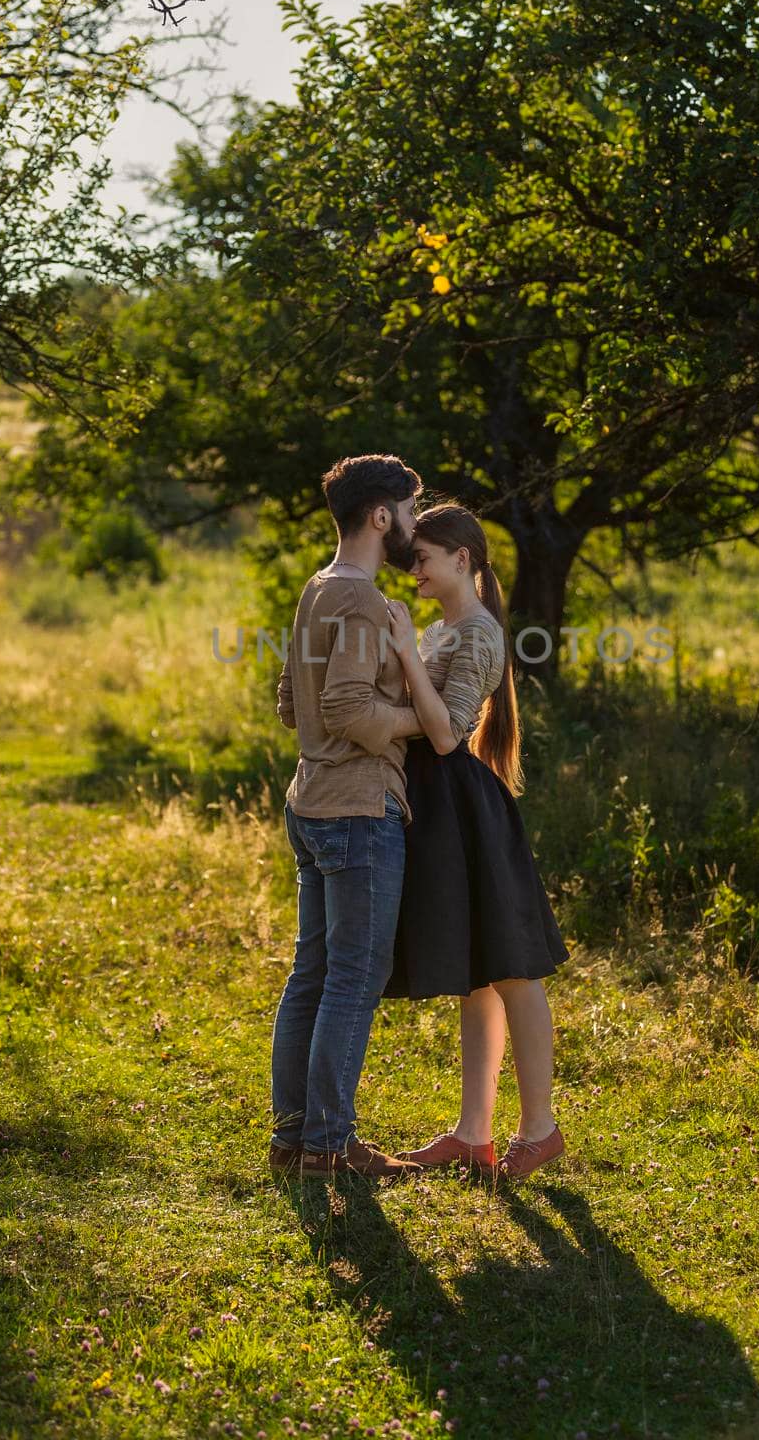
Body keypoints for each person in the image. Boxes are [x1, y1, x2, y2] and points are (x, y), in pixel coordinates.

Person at [382, 503, 570, 1182]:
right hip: (442, 808)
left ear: (461, 559)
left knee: (512, 969)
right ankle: (473, 1134)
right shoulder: (447, 629)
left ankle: (539, 1128)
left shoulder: (479, 634)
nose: (416, 573)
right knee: (479, 977)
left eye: (424, 559)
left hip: (466, 807)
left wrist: (403, 651)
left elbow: (447, 734)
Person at [269, 453, 427, 1180]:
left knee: (313, 975)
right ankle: (327, 1147)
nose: (415, 525)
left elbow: (288, 700)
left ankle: (295, 1138)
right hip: (358, 808)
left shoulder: (316, 588)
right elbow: (344, 707)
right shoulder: (361, 599)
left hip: (308, 800)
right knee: (350, 980)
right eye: (411, 510)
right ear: (380, 515)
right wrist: (422, 722)